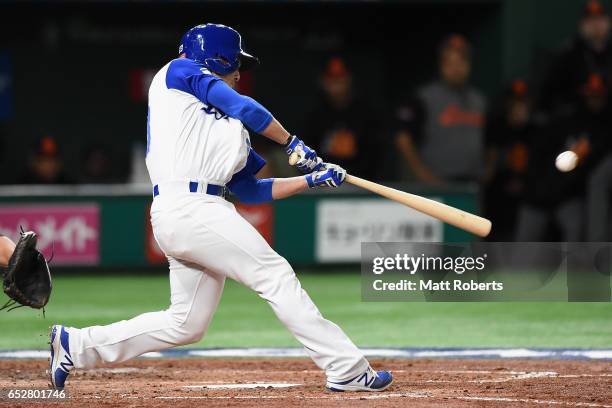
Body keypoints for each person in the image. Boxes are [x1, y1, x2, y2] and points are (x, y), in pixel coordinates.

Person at [48, 24, 392, 393]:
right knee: (273, 274)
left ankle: (77, 346)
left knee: (186, 324)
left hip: (199, 212)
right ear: (216, 57)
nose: (239, 72)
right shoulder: (177, 72)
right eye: (235, 62)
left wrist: (311, 180)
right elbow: (243, 105)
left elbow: (251, 190)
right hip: (188, 207)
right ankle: (346, 367)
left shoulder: (232, 129)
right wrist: (292, 142)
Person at [515, 73, 612, 241]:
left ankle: (578, 265)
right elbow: (539, 163)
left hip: (567, 198)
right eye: (590, 94)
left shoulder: (605, 127)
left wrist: (584, 156)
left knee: (576, 226)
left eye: (598, 95)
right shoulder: (562, 120)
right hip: (539, 193)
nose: (594, 99)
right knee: (523, 248)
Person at [393, 34, 488, 185]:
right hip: (437, 184)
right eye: (450, 62)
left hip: (472, 184)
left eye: (461, 61)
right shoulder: (424, 98)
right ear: (441, 65)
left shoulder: (479, 100)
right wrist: (423, 175)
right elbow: (402, 138)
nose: (456, 68)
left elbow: (494, 140)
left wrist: (487, 172)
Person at [304, 57, 381, 178]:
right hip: (322, 182)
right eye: (332, 78)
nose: (336, 83)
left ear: (349, 79)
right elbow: (307, 155)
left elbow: (376, 153)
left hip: (361, 181)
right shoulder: (315, 115)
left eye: (340, 78)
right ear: (324, 81)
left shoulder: (366, 113)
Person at [484, 80, 539, 241]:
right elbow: (489, 167)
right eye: (515, 102)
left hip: (528, 198)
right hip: (496, 198)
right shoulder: (496, 128)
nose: (518, 107)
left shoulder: (535, 131)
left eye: (523, 102)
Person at [538, 0, 612, 115]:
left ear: (608, 22)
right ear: (582, 24)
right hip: (577, 119)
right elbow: (550, 91)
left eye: (600, 19)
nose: (596, 25)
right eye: (591, 20)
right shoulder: (569, 54)